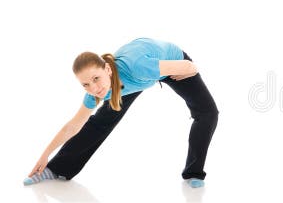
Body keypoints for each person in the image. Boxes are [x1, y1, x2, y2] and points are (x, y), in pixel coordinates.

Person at [24, 38, 218, 188]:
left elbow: (190, 66)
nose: (94, 88)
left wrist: (186, 69)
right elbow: (73, 126)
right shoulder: (97, 91)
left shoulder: (138, 68)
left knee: (208, 112)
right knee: (100, 121)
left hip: (170, 63)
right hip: (137, 68)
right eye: (86, 84)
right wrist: (45, 156)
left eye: (96, 78)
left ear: (107, 69)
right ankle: (56, 169)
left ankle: (194, 172)